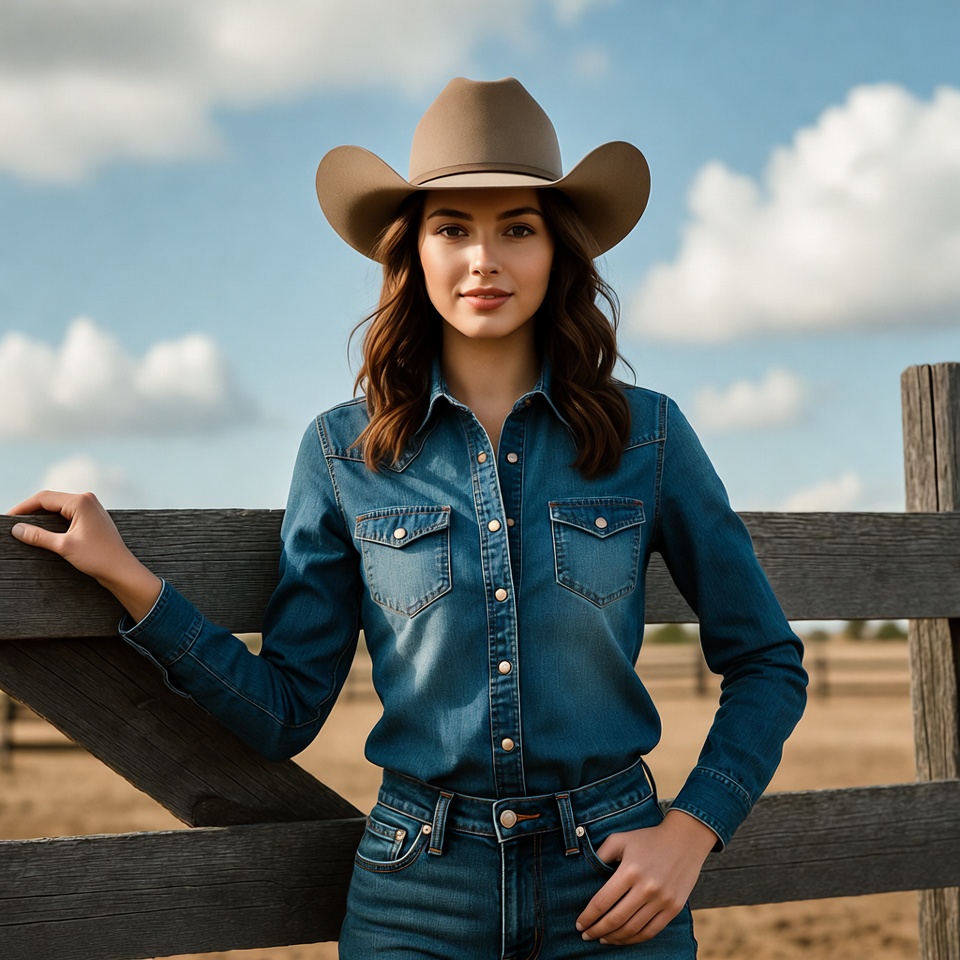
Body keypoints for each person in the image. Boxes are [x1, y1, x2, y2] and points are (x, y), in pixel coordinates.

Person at [9, 78, 807, 958]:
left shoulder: (646, 435)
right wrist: (130, 579)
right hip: (415, 891)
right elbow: (285, 712)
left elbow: (767, 659)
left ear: (558, 249)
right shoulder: (344, 455)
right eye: (452, 226)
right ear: (414, 252)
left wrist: (694, 829)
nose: (483, 260)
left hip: (612, 880)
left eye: (518, 227)